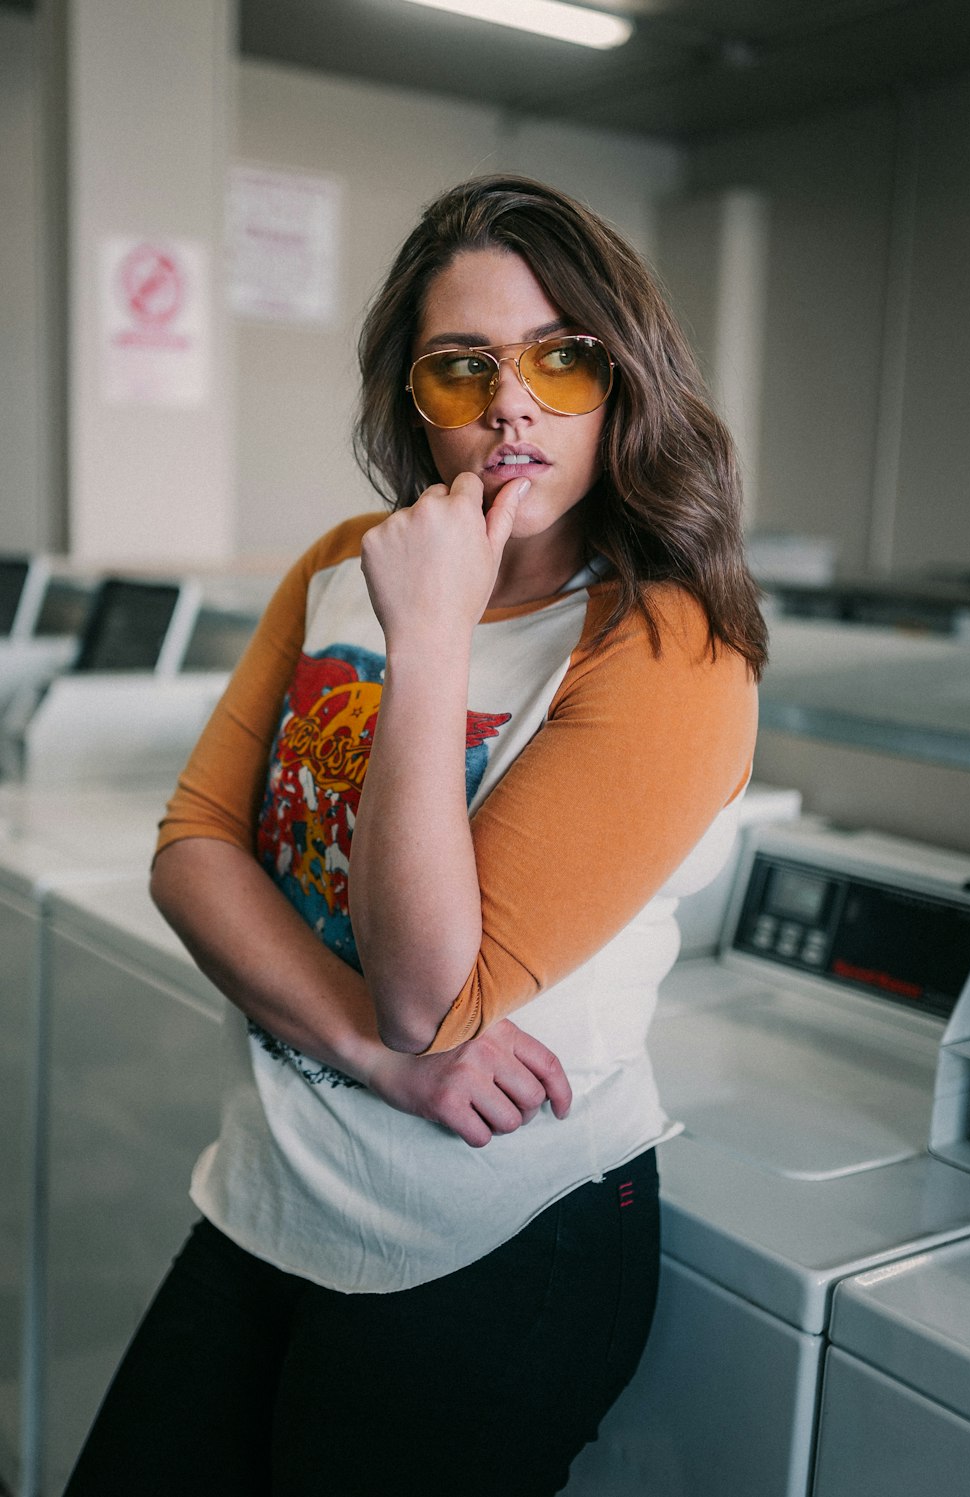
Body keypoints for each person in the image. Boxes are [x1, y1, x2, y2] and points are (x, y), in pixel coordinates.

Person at [64, 174, 766, 1496]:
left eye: (564, 357)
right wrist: (369, 1057)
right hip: (273, 1187)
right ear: (413, 397)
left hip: (495, 1243)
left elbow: (430, 994)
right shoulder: (342, 560)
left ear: (626, 379)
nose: (513, 403)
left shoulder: (665, 643)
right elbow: (193, 844)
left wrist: (432, 633)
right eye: (463, 368)